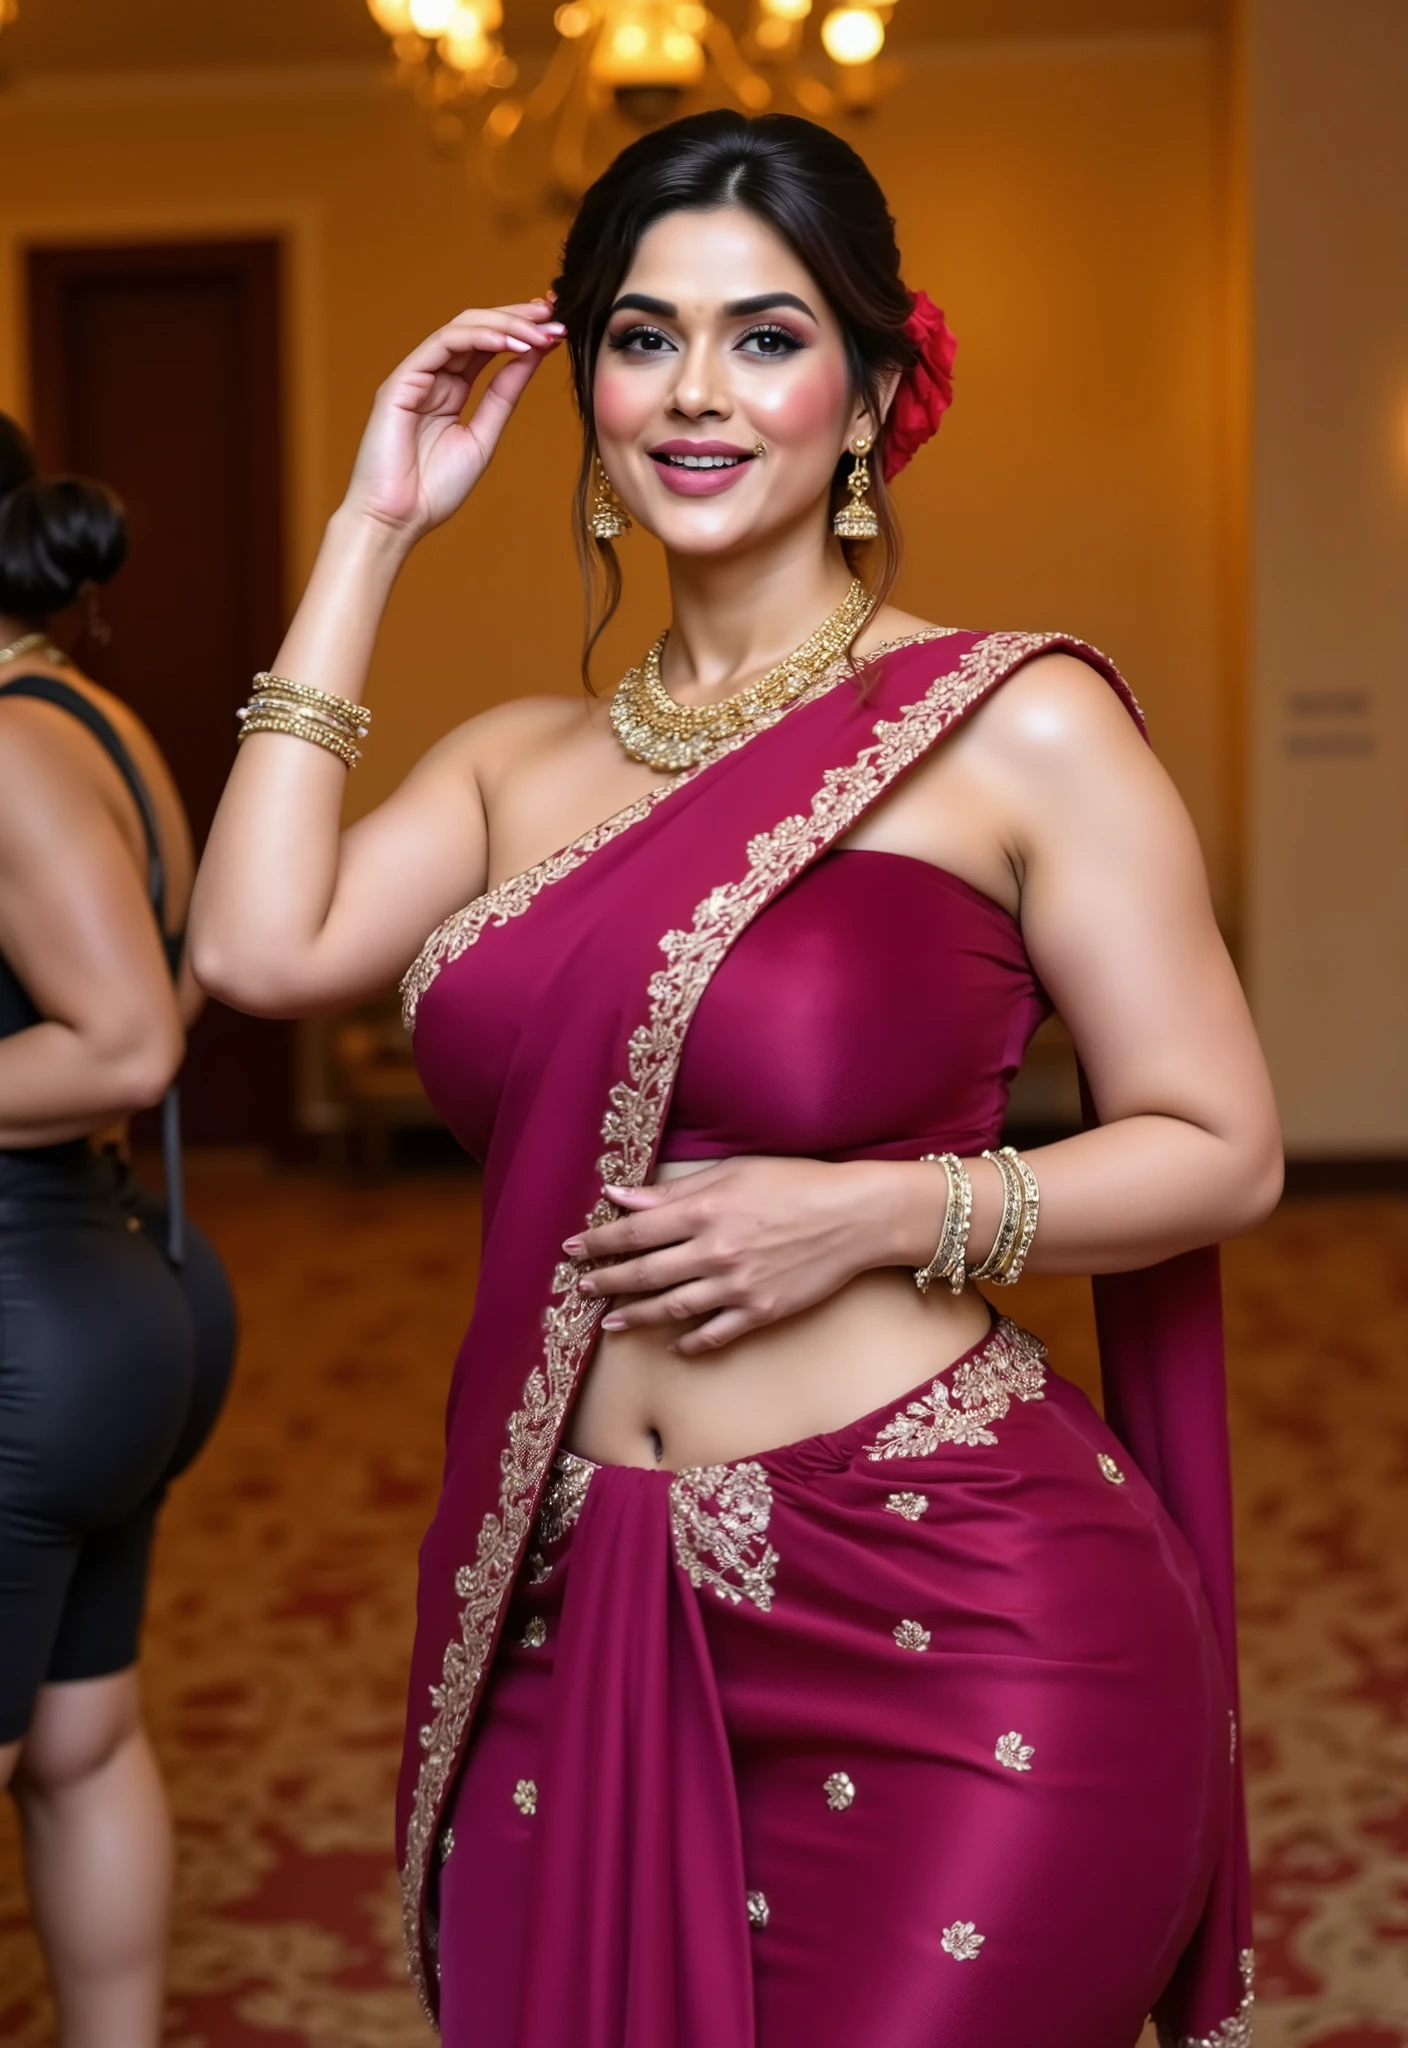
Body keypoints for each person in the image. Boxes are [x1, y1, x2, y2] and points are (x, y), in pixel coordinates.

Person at [190, 112, 1281, 2048]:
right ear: (584, 386)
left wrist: (883, 1207)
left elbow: (1221, 1149)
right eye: (639, 335)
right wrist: (368, 530)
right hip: (583, 1604)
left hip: (962, 1616)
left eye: (765, 338)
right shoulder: (513, 763)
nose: (694, 393)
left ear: (869, 391)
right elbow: (258, 954)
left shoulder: (1009, 725)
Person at [0, 416, 236, 2048]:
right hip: (124, 1286)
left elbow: (128, 1040)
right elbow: (199, 964)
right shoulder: (88, 714)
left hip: (21, 1314)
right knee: (81, 1745)